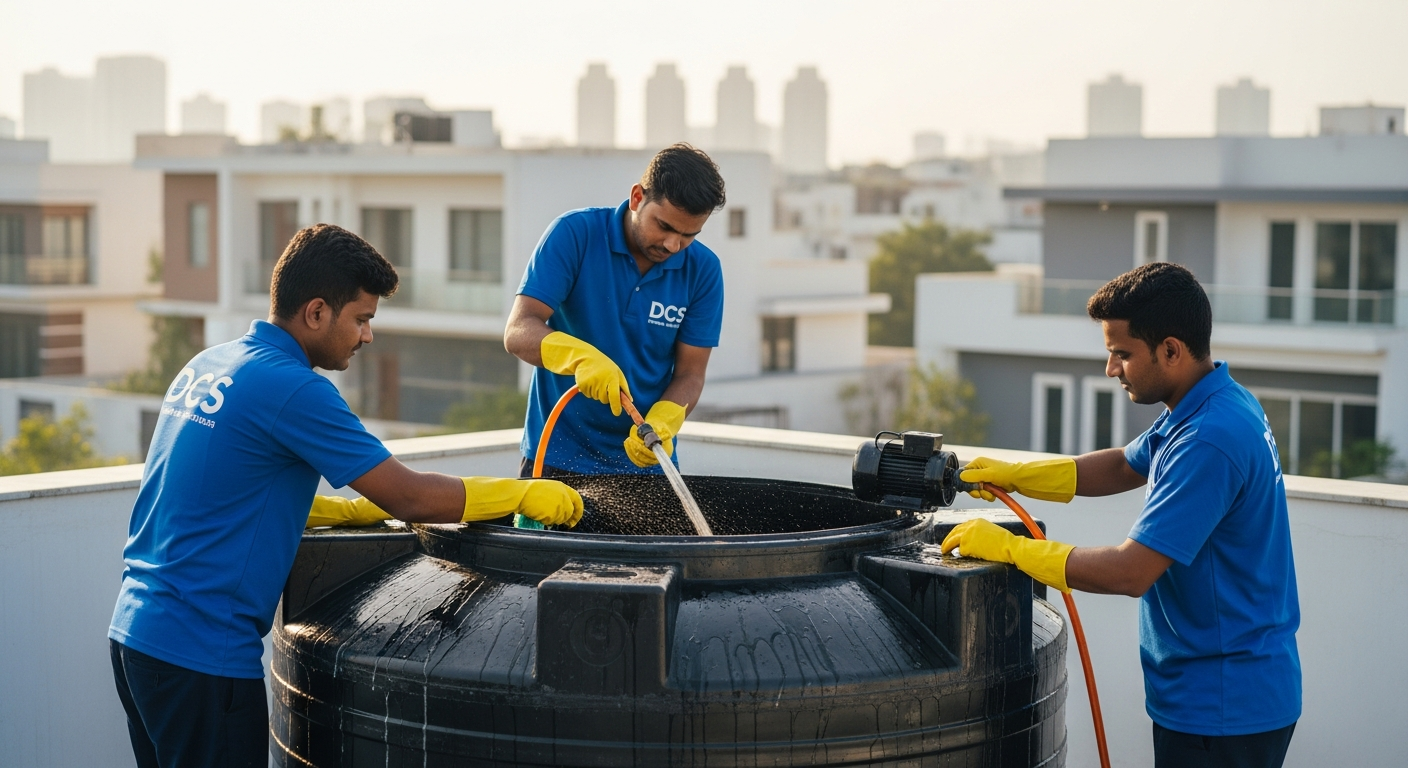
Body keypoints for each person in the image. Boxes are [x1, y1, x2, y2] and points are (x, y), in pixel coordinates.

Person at [108, 224, 583, 768]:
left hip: (137, 637)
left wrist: (331, 509)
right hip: (201, 655)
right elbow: (409, 497)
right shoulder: (293, 388)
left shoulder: (211, 365)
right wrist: (518, 495)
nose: (366, 336)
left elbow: (206, 488)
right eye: (361, 319)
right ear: (316, 313)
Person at [942, 262, 1300, 768]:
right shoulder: (1210, 403)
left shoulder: (1209, 440)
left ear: (1171, 350)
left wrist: (1011, 548)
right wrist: (1014, 473)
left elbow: (1131, 572)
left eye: (1121, 354)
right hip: (1226, 691)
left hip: (1223, 705)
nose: (1111, 369)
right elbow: (1121, 466)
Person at [505, 143, 727, 476]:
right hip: (555, 456)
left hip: (649, 460)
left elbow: (690, 374)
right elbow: (519, 330)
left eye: (688, 235)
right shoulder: (574, 235)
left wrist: (666, 419)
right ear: (638, 197)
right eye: (664, 226)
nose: (673, 245)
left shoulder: (704, 270)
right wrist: (580, 359)